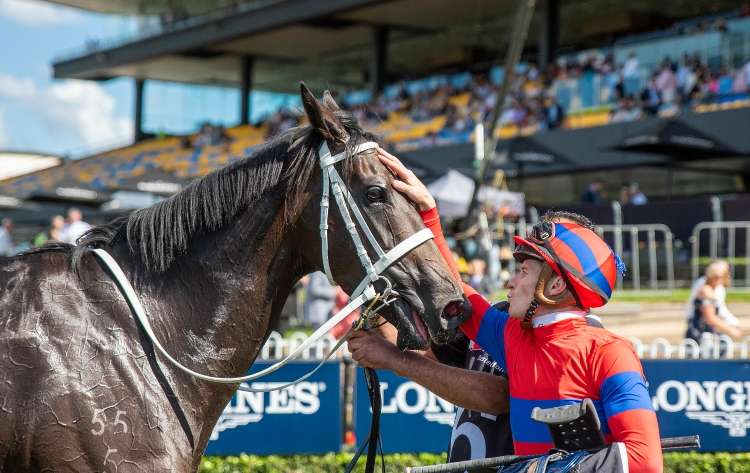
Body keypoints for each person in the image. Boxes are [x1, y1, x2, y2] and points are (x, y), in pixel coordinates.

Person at [354, 147, 663, 473]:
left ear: (555, 285)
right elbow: (459, 291)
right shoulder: (514, 335)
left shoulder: (610, 353)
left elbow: (645, 461)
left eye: (523, 272)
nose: (510, 282)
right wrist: (428, 213)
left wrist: (545, 469)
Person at [686, 260, 742, 342]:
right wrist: (731, 330)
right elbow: (709, 317)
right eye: (726, 274)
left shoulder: (712, 289)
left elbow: (721, 310)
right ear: (717, 277)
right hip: (701, 334)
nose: (728, 276)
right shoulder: (706, 292)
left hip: (703, 333)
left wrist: (734, 322)